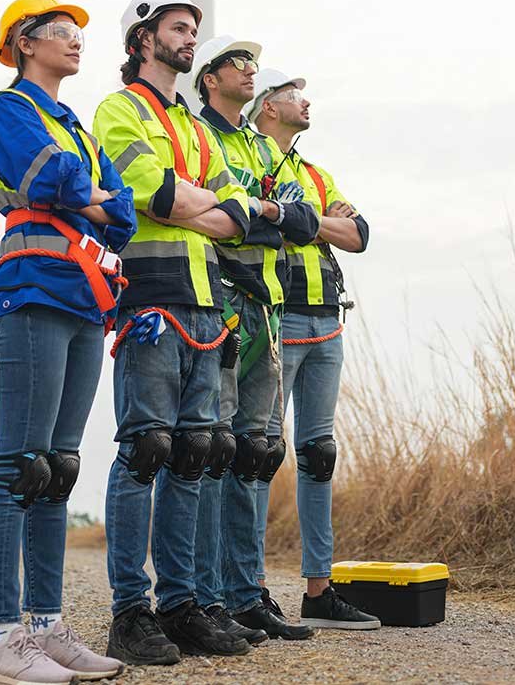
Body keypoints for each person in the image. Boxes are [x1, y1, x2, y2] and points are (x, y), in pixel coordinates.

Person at [0, 0, 138, 685]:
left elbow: (122, 213)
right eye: (61, 31)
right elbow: (47, 177)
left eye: (78, 33)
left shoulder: (79, 129)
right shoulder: (8, 108)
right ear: (25, 43)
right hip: (32, 288)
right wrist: (86, 195)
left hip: (85, 298)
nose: (76, 41)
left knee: (57, 468)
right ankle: (0, 638)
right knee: (19, 464)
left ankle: (46, 626)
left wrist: (89, 197)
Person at [92, 0, 253, 666]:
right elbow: (149, 193)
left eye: (193, 29)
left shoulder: (194, 125)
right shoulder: (118, 110)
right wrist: (203, 205)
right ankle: (130, 613)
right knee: (146, 449)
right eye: (179, 28)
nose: (191, 38)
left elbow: (239, 213)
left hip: (207, 302)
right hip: (151, 300)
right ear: (142, 38)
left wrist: (202, 206)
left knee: (193, 452)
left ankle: (181, 607)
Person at [189, 36, 320, 642]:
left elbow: (301, 221)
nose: (250, 71)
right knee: (212, 451)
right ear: (210, 78)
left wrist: (259, 213)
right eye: (238, 63)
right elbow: (212, 216)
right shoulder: (200, 137)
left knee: (254, 455)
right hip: (222, 300)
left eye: (253, 64)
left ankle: (246, 596)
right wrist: (263, 215)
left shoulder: (261, 146)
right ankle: (206, 596)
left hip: (269, 306)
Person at [250, 68, 380, 631]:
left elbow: (359, 235)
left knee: (319, 454)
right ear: (267, 107)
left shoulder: (314, 174)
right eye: (293, 96)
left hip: (328, 318)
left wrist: (303, 220)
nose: (306, 103)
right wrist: (317, 222)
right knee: (258, 451)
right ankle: (248, 586)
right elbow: (255, 225)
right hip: (276, 317)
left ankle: (319, 590)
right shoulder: (249, 161)